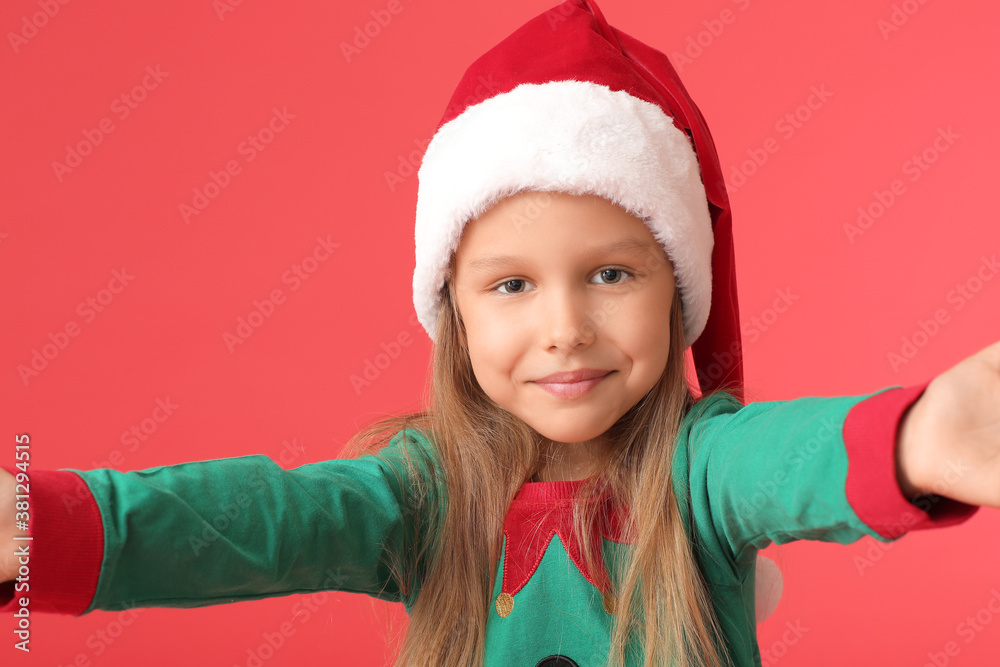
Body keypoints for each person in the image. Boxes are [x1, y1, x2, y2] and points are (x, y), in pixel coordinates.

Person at [3, 1, 998, 665]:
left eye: (610, 273)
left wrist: (919, 436)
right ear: (455, 313)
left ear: (672, 293)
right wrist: (33, 525)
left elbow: (797, 460)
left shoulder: (702, 469)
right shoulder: (421, 492)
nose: (564, 328)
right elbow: (256, 521)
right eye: (512, 284)